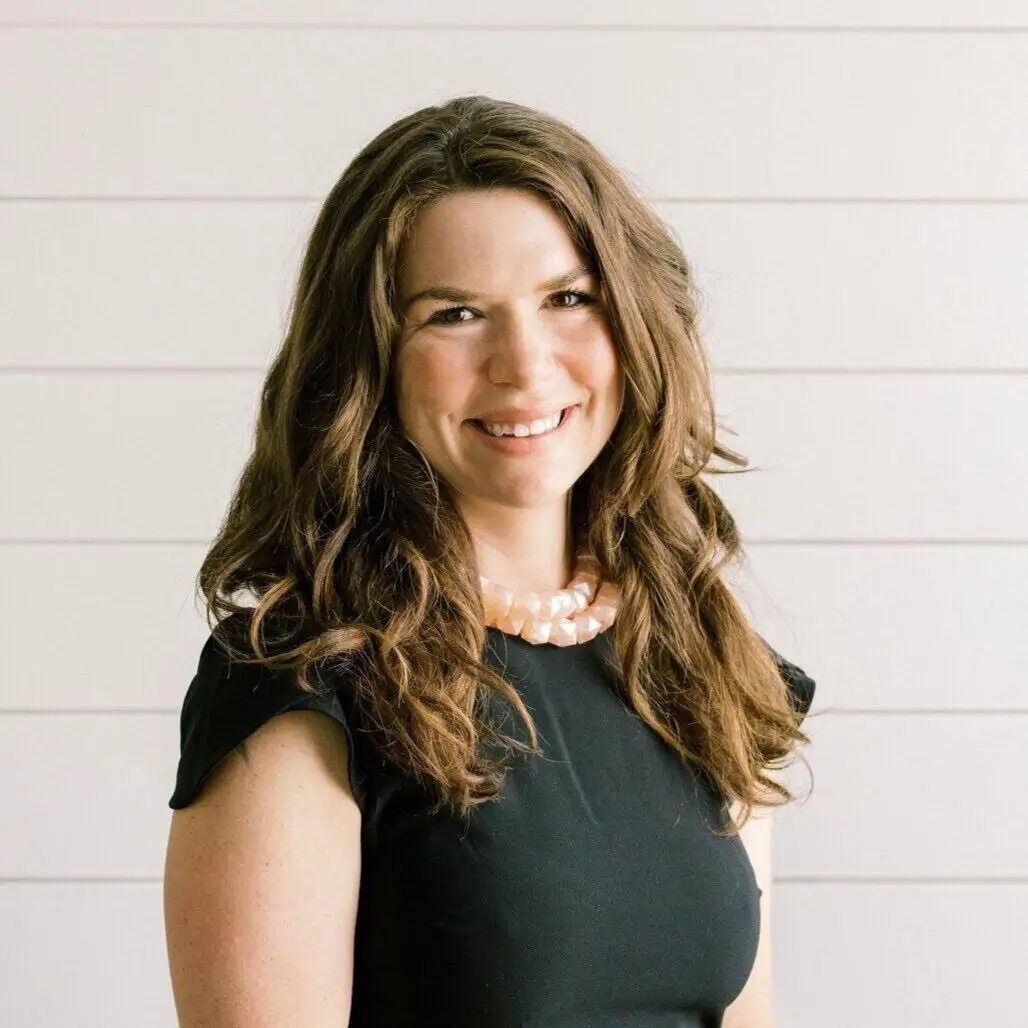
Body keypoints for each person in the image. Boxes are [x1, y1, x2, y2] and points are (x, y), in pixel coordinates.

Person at [163, 94, 817, 1028]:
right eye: (456, 313)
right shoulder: (302, 688)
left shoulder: (700, 653)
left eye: (567, 298)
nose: (524, 363)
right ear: (371, 359)